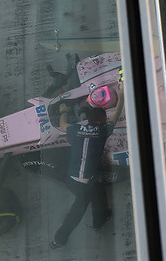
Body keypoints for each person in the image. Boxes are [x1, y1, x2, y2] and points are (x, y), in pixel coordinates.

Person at [51, 82, 125, 248]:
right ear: (102, 121)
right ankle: (60, 238)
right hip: (88, 181)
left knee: (96, 195)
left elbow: (63, 125)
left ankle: (100, 219)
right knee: (78, 211)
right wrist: (122, 95)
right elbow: (117, 112)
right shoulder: (103, 131)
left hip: (72, 180)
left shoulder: (75, 130)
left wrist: (63, 112)